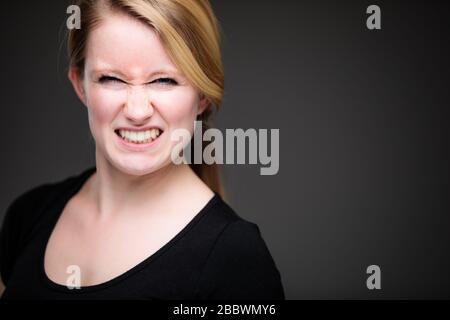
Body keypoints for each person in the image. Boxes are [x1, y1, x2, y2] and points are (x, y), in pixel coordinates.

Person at [0, 0, 285, 300]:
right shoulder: (28, 215)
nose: (137, 111)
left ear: (202, 94)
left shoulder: (237, 260)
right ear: (80, 85)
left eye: (164, 80)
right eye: (111, 78)